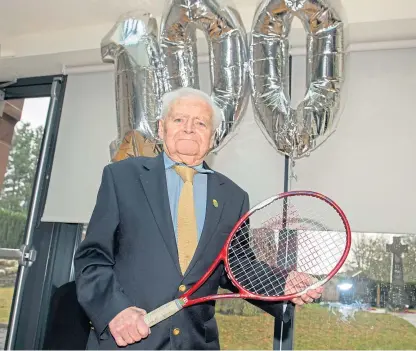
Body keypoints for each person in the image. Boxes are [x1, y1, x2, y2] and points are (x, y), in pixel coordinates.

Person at [73, 87, 323, 350]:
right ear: (161, 128)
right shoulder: (121, 177)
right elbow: (92, 259)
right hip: (127, 341)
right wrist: (115, 311)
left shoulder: (234, 196)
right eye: (179, 119)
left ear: (212, 137)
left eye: (201, 123)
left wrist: (282, 282)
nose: (189, 128)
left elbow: (236, 266)